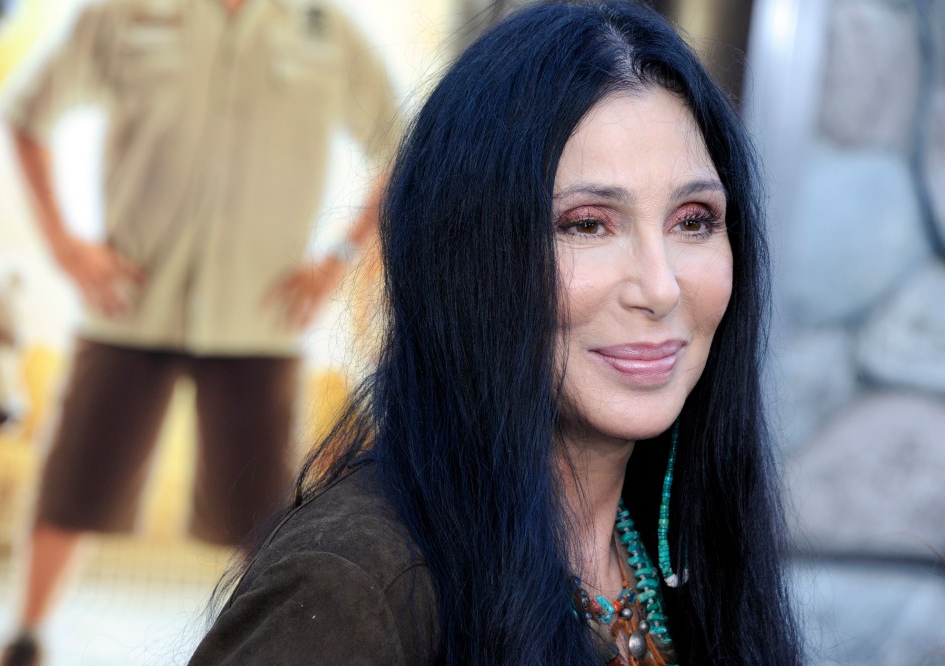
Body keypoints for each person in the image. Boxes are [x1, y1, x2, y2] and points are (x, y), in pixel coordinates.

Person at [188, 1, 803, 664]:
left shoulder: (676, 553)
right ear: (466, 258)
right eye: (587, 224)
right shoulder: (355, 584)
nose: (660, 287)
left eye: (694, 221)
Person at [0, 0, 400, 664]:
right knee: (73, 480)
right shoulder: (124, 16)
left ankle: (279, 645)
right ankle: (25, 634)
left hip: (258, 318)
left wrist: (338, 257)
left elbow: (401, 144)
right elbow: (27, 116)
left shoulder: (324, 30)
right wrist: (65, 246)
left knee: (264, 515)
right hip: (131, 305)